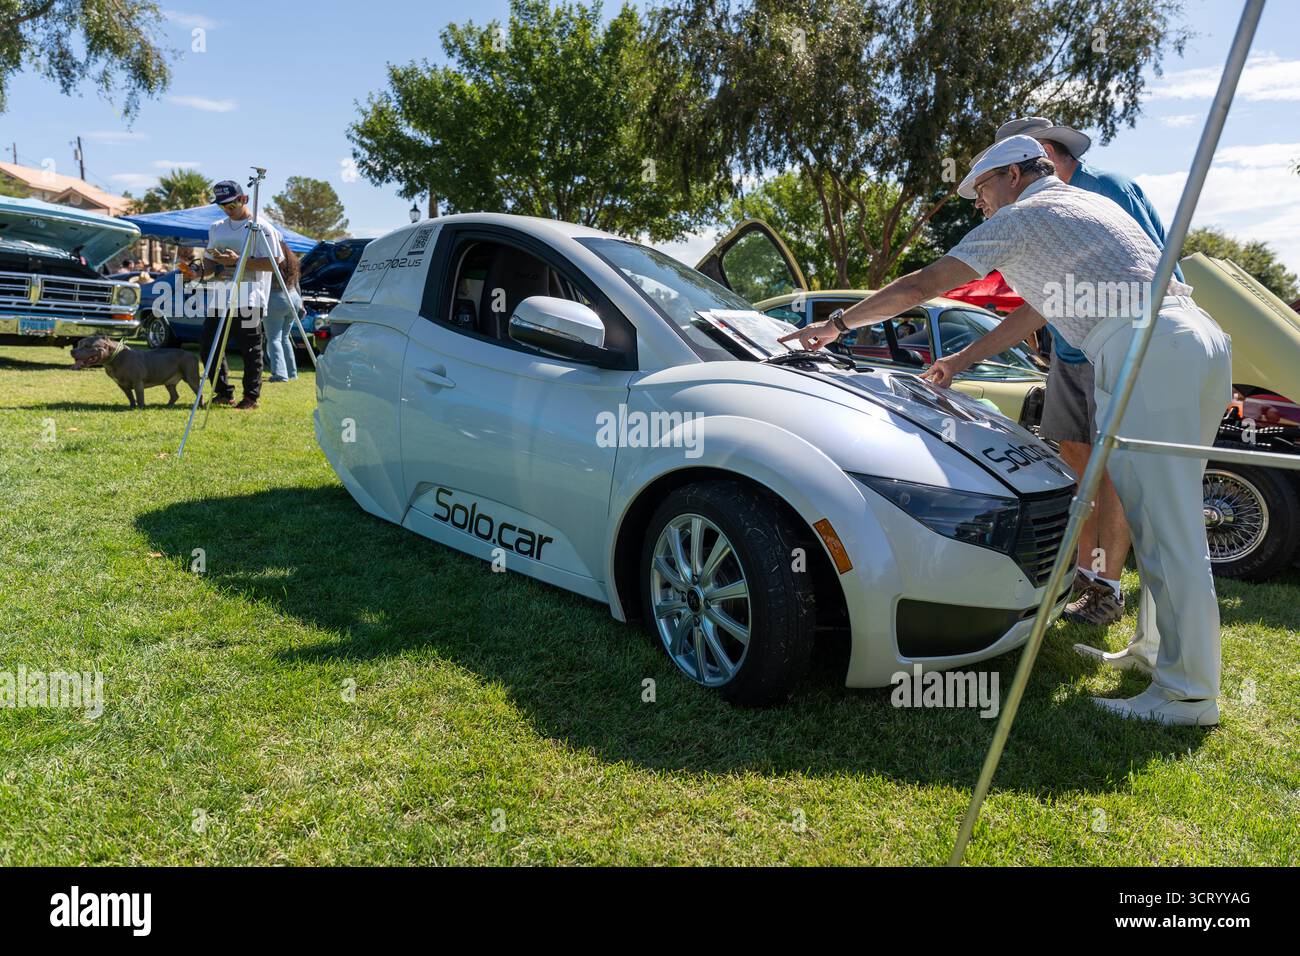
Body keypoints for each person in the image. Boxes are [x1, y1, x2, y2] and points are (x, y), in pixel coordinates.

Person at [780, 135, 1231, 726]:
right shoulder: (1083, 209)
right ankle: (1156, 653)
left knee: (1167, 524)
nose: (978, 204)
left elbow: (923, 284)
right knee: (1159, 517)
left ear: (1015, 175)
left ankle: (1188, 694)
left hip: (1145, 346)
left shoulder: (1025, 215)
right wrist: (962, 360)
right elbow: (1034, 312)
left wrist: (836, 324)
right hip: (1191, 338)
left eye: (982, 189)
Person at [982, 117, 1184, 636]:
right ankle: (1082, 573)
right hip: (1069, 356)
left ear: (1039, 152)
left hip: (1120, 347)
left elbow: (1158, 268)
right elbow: (1043, 295)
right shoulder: (1036, 205)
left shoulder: (1107, 190)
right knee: (1077, 463)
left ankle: (1107, 587)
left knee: (1116, 467)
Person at [180, 179, 284, 411]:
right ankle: (224, 392)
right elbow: (208, 263)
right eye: (222, 206)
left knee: (250, 349)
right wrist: (194, 272)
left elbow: (275, 263)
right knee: (208, 346)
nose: (227, 209)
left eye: (231, 204)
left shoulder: (261, 227)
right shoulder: (217, 227)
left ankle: (251, 397)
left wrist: (239, 261)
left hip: (250, 296)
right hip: (220, 295)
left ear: (243, 199)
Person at [262, 245, 303, 382]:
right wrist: (301, 303)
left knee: (274, 339)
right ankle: (292, 373)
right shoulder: (293, 262)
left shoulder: (271, 259)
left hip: (275, 299)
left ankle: (280, 374)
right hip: (294, 298)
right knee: (284, 338)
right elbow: (297, 284)